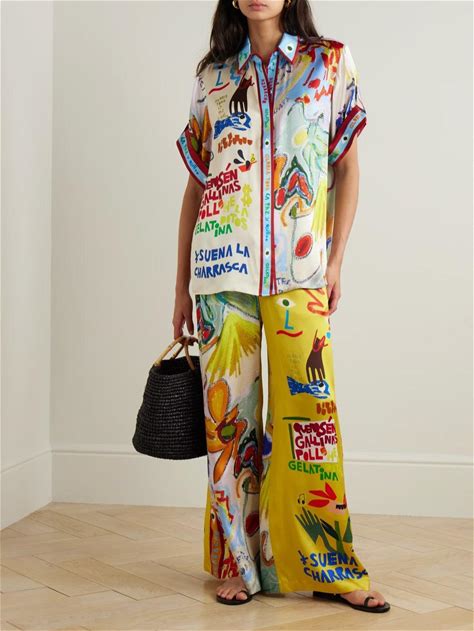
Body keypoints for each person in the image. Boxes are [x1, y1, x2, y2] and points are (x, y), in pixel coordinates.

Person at [173, 0, 390, 615]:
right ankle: (238, 565)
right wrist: (180, 286)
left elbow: (347, 168)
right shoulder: (213, 76)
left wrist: (336, 260)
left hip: (301, 273)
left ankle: (330, 567)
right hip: (221, 274)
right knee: (230, 427)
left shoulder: (329, 63)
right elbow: (197, 186)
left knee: (309, 421)